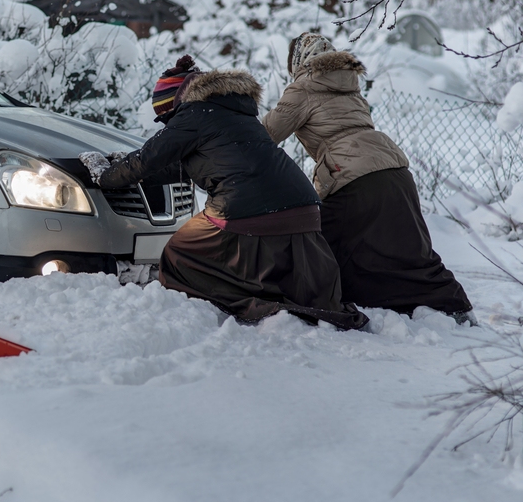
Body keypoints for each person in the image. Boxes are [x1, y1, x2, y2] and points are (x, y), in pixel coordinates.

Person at [81, 55, 369, 330]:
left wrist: (104, 174)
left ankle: (236, 302)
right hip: (303, 208)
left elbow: (148, 159)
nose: (169, 126)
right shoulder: (232, 113)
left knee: (180, 251)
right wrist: (124, 164)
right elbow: (180, 166)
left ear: (174, 105)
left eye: (167, 119)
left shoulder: (193, 114)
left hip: (247, 209)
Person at [262, 32, 473, 320]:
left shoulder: (303, 87)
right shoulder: (350, 85)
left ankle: (312, 304)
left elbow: (264, 136)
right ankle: (456, 307)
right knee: (408, 248)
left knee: (317, 245)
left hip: (353, 176)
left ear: (297, 62)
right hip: (395, 170)